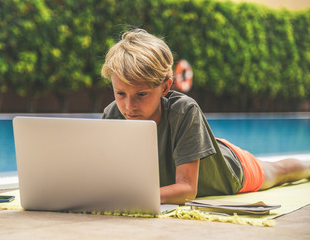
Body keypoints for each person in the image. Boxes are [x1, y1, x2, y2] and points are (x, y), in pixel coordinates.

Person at [101, 28, 310, 204]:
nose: (129, 106)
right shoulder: (113, 115)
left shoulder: (183, 111)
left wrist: (130, 198)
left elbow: (187, 189)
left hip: (231, 169)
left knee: (282, 171)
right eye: (120, 93)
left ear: (165, 87)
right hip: (196, 147)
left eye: (141, 94)